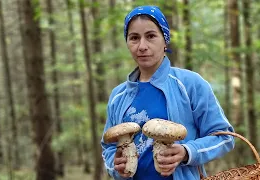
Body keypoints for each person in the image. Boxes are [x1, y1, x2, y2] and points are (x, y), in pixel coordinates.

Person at [101, 5, 235, 180]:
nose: (142, 46)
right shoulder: (118, 96)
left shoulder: (190, 84)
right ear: (127, 42)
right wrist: (115, 165)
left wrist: (187, 152)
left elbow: (224, 138)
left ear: (165, 40)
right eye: (134, 38)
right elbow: (108, 147)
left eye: (151, 36)